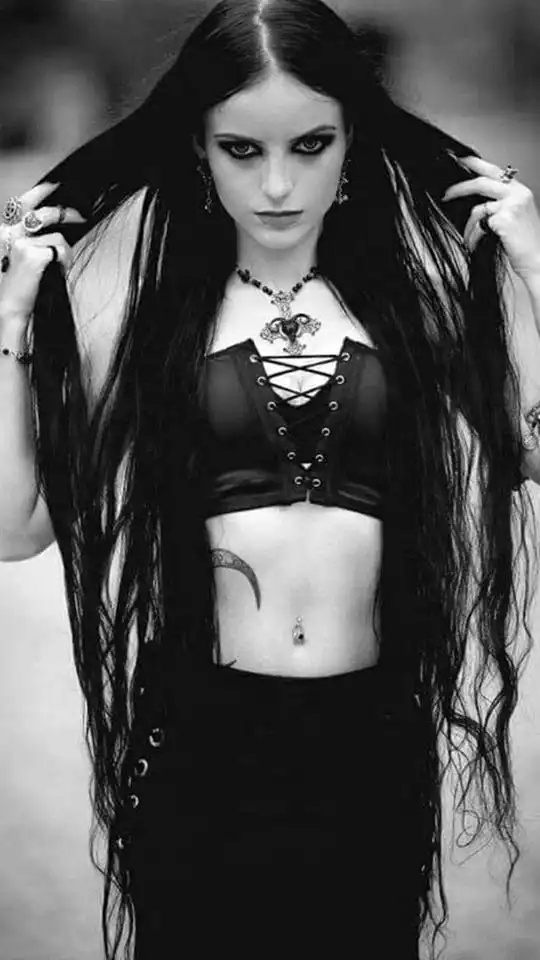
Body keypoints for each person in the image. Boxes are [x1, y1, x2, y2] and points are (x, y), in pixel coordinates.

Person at [1, 0, 540, 957]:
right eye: (242, 150)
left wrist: (531, 270)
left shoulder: (412, 316)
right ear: (200, 153)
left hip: (368, 746)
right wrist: (9, 325)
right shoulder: (149, 326)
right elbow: (17, 527)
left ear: (352, 142)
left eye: (312, 144)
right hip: (202, 745)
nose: (280, 184)